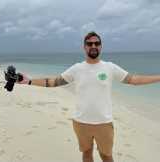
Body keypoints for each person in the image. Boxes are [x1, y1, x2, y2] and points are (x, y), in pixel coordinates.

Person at [16, 31, 160, 162]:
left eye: (96, 43)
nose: (93, 46)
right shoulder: (77, 68)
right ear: (84, 47)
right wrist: (29, 81)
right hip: (81, 122)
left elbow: (134, 80)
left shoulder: (110, 67)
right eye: (89, 43)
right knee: (86, 153)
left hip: (104, 123)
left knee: (106, 156)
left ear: (101, 46)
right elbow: (54, 82)